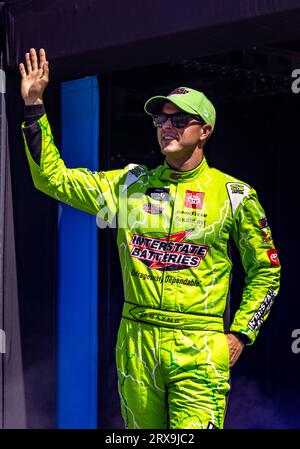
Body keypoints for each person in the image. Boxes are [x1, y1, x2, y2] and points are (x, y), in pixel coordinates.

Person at [20, 48, 281, 429]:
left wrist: (241, 333)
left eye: (179, 119)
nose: (166, 125)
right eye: (160, 118)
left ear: (204, 130)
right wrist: (33, 107)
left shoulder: (234, 195)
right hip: (137, 343)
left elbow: (267, 271)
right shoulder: (130, 184)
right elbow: (52, 178)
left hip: (199, 344)